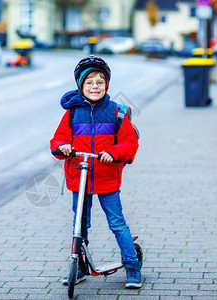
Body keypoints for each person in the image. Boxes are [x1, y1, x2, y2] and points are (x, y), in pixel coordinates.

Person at [50, 55, 141, 289]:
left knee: (117, 222)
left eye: (100, 82)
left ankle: (132, 267)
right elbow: (57, 140)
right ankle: (79, 268)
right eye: (89, 82)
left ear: (106, 85)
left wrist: (114, 151)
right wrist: (63, 147)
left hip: (107, 177)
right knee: (80, 224)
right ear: (81, 86)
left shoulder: (116, 113)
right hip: (79, 178)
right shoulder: (72, 114)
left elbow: (130, 142)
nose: (94, 87)